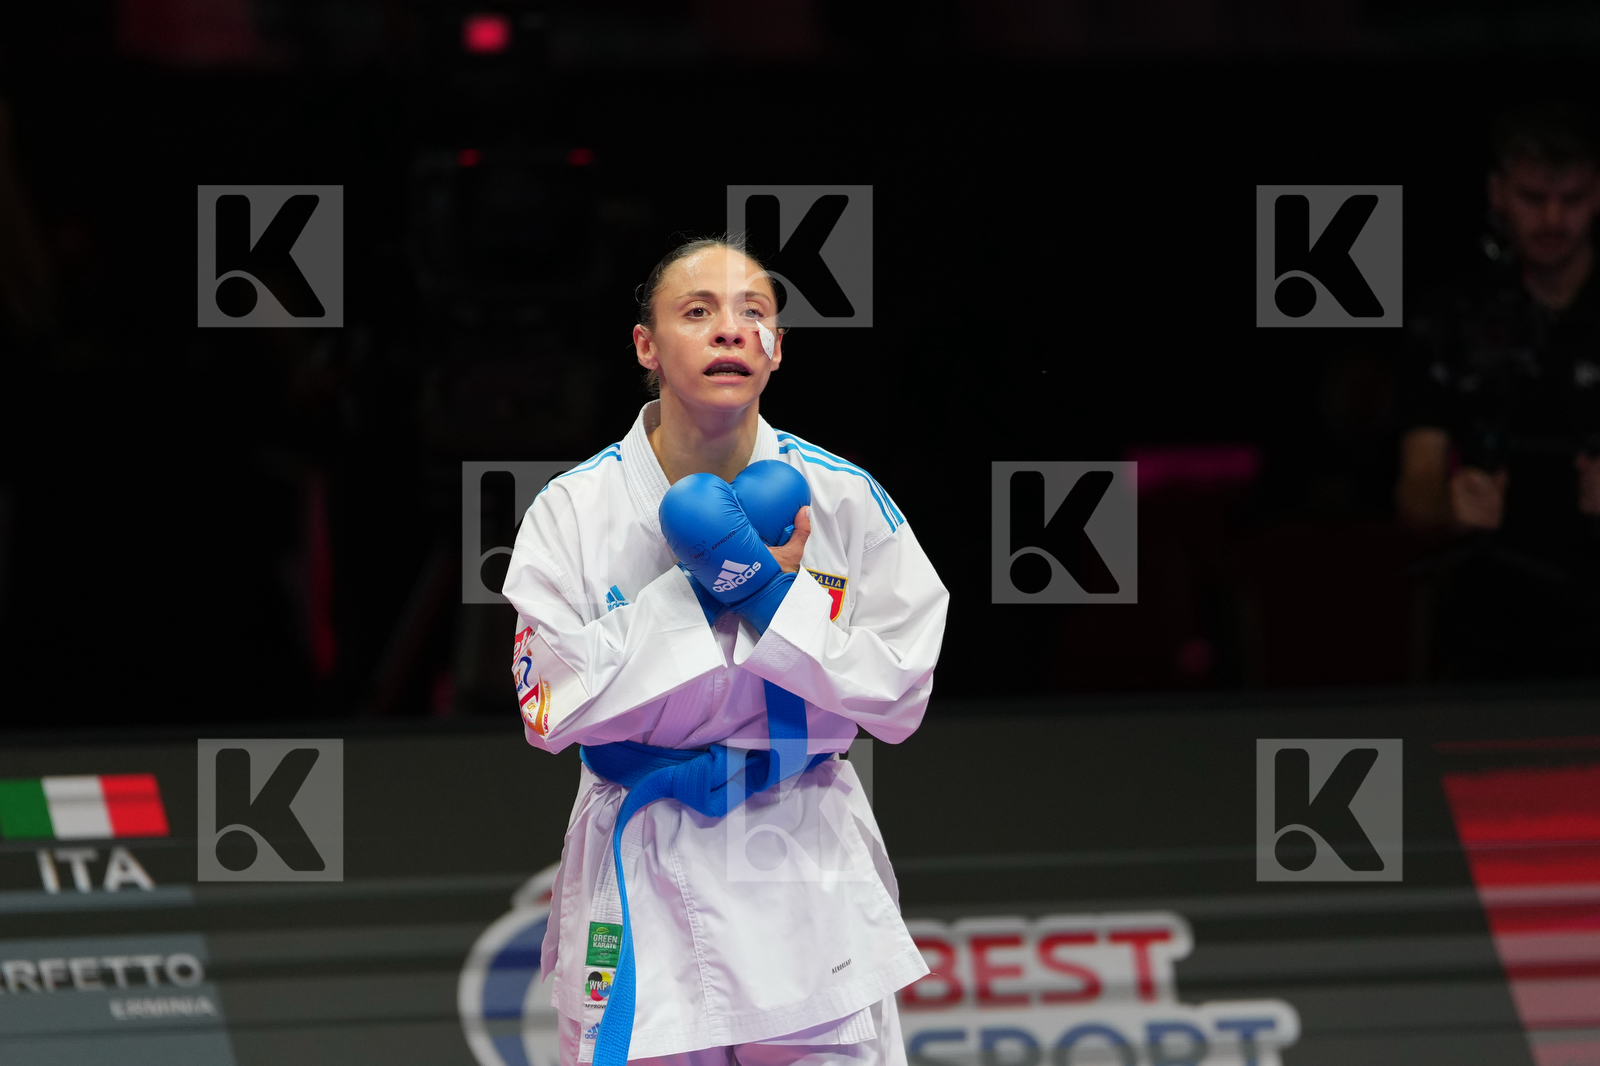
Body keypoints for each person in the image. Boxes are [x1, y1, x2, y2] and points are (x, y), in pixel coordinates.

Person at [502, 236, 948, 1066]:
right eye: (697, 312)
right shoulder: (573, 510)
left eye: (755, 314)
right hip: (638, 858)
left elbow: (902, 696)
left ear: (777, 349)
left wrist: (770, 600)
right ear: (647, 346)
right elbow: (547, 709)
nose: (730, 331)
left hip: (802, 863)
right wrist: (704, 586)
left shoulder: (844, 497)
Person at [1396, 102, 1600, 678]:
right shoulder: (1451, 316)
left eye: (1574, 197)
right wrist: (1448, 503)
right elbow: (1414, 485)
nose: (1554, 219)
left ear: (1599, 193)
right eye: (1534, 198)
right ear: (1497, 193)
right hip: (1485, 638)